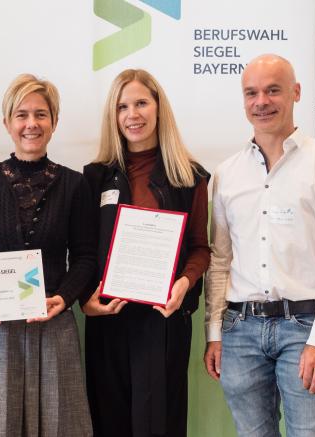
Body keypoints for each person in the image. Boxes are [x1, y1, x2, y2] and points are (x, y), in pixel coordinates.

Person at [203, 54, 315, 437]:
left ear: (296, 92)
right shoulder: (226, 174)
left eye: (273, 90)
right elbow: (220, 259)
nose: (262, 102)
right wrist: (215, 332)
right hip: (240, 329)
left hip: (304, 327)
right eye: (252, 93)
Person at [0, 73, 97, 437]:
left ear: (54, 122)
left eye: (41, 114)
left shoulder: (75, 184)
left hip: (51, 323)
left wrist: (64, 298)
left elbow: (85, 256)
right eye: (21, 114)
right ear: (7, 123)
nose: (31, 124)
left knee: (56, 423)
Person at [80, 69, 210, 437]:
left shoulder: (189, 175)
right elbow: (85, 250)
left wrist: (184, 284)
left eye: (141, 103)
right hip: (108, 317)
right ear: (113, 115)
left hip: (162, 319)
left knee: (160, 424)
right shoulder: (94, 177)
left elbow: (201, 247)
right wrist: (85, 302)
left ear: (158, 108)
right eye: (123, 106)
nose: (132, 114)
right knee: (109, 420)